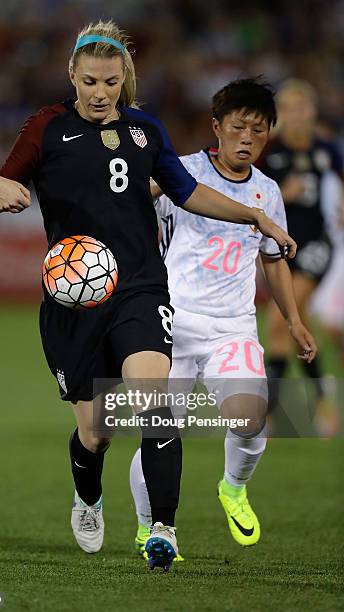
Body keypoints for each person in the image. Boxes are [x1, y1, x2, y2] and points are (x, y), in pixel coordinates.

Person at [0, 22, 295, 572]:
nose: (99, 93)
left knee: (156, 404)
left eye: (109, 81)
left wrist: (253, 214)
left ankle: (163, 531)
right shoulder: (46, 127)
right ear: (71, 79)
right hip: (74, 299)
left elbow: (189, 191)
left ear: (123, 78)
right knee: (96, 433)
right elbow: (2, 183)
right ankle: (88, 498)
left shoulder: (145, 131)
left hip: (141, 290)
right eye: (88, 82)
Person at [129, 78, 317, 558]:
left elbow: (273, 260)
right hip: (170, 321)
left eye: (259, 130)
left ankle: (233, 488)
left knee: (251, 417)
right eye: (239, 127)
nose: (248, 138)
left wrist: (293, 321)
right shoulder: (180, 173)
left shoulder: (268, 193)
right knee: (160, 428)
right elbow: (127, 202)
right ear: (217, 127)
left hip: (232, 325)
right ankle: (149, 524)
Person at [259, 79, 343, 436]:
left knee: (281, 320)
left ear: (311, 112)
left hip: (317, 245)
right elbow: (253, 194)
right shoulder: (269, 152)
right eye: (289, 109)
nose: (296, 116)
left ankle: (267, 415)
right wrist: (282, 193)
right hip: (279, 248)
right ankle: (323, 398)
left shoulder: (326, 149)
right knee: (292, 327)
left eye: (302, 108)